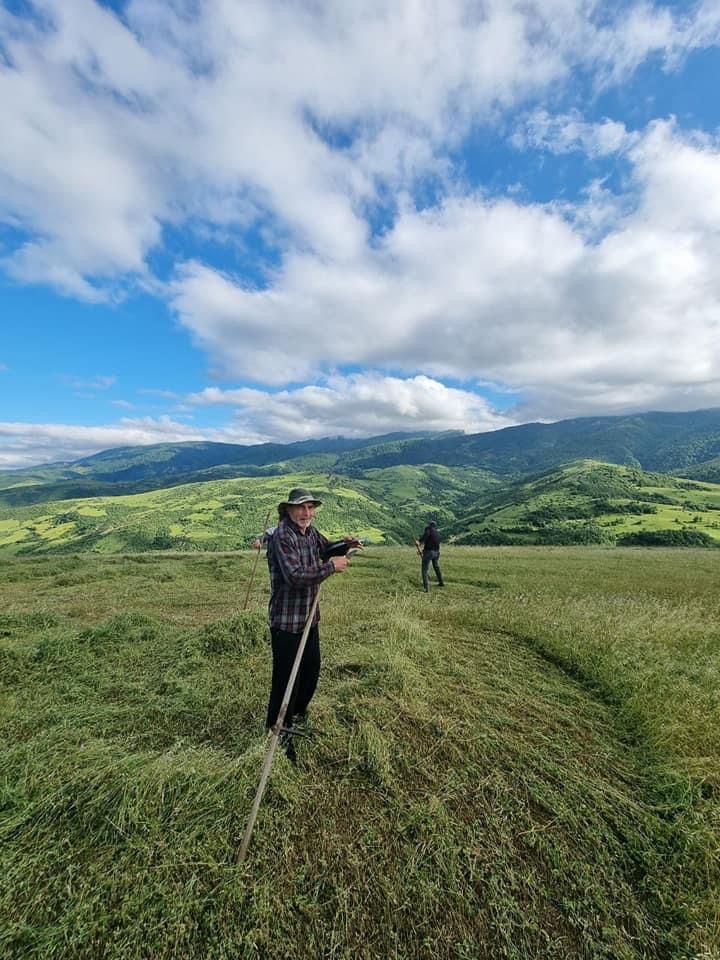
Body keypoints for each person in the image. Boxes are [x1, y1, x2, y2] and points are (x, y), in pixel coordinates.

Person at [265, 487, 362, 760]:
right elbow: (294, 576)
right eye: (301, 508)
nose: (307, 513)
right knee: (286, 679)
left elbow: (325, 548)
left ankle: (296, 713)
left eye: (310, 508)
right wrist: (332, 567)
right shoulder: (282, 536)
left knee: (311, 670)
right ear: (289, 510)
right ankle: (278, 728)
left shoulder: (309, 533)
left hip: (309, 617)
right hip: (287, 621)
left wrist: (345, 545)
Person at [415, 520, 444, 592]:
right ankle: (441, 582)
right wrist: (422, 551)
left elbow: (426, 535)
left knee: (424, 570)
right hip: (437, 553)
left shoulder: (428, 529)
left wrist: (419, 541)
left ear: (430, 525)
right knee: (436, 567)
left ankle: (426, 589)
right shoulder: (437, 533)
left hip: (429, 553)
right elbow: (432, 544)